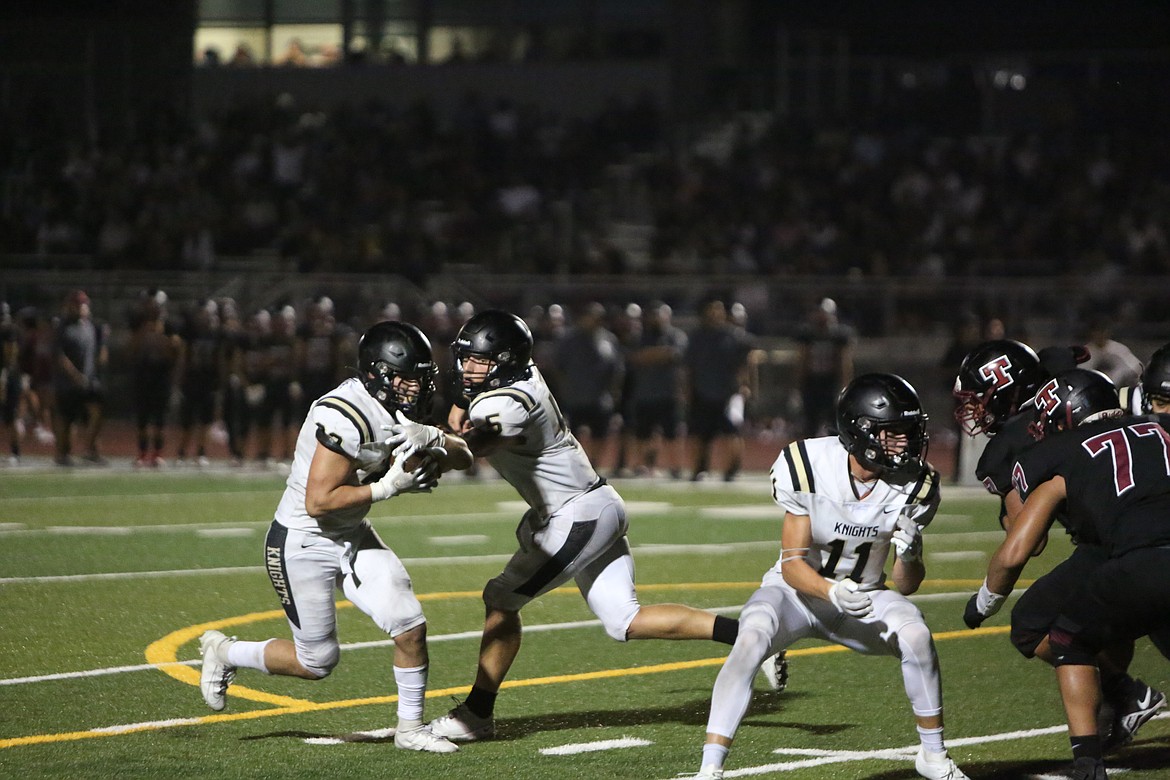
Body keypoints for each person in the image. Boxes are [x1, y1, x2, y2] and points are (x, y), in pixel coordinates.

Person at [428, 310, 740, 742]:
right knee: (623, 620)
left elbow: (478, 439)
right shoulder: (516, 376)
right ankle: (750, 636)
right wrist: (450, 423)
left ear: (505, 362)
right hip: (594, 504)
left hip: (575, 514)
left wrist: (434, 451)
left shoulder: (508, 401)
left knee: (501, 598)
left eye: (480, 361)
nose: (468, 368)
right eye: (465, 359)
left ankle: (476, 714)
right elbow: (460, 417)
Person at [198, 321, 471, 753]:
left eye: (420, 377)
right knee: (317, 662)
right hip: (303, 541)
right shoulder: (345, 414)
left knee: (410, 627)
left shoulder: (401, 406)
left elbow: (466, 457)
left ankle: (410, 729)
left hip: (351, 533)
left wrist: (437, 437)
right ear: (379, 373)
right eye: (408, 377)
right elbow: (319, 501)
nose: (415, 387)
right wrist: (387, 487)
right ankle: (226, 652)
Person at [691, 374, 967, 780]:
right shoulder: (808, 465)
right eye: (894, 434)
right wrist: (831, 591)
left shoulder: (917, 484)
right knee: (751, 635)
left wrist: (911, 554)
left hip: (867, 595)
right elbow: (792, 564)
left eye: (909, 432)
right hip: (799, 593)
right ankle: (710, 769)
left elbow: (906, 584)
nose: (906, 443)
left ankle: (933, 756)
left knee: (916, 635)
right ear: (861, 432)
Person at [953, 343, 1162, 748]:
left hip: (1116, 545)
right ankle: (1119, 701)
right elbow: (1060, 359)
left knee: (1033, 625)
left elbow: (1028, 541)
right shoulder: (1063, 382)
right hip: (1144, 513)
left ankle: (1122, 693)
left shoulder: (1007, 447)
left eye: (979, 400)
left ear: (1005, 392)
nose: (975, 411)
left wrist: (985, 596)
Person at [685, 298, 753, 482]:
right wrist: (687, 390)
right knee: (700, 434)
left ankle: (732, 468)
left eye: (718, 309)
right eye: (711, 309)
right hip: (703, 391)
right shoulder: (697, 337)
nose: (715, 313)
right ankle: (699, 467)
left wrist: (744, 385)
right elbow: (689, 367)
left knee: (732, 432)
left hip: (728, 393)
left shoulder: (734, 337)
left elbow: (743, 365)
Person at [52, 290, 109, 465]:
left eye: (82, 305)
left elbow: (101, 354)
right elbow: (60, 356)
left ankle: (91, 449)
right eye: (76, 305)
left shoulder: (92, 326)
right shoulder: (63, 327)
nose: (80, 308)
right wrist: (75, 375)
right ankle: (62, 453)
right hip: (68, 383)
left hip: (89, 380)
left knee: (97, 410)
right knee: (67, 419)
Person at [792, 297, 855, 438]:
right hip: (812, 382)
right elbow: (802, 361)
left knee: (834, 426)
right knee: (809, 425)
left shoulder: (838, 335)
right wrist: (797, 387)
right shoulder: (808, 334)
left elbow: (844, 362)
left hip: (831, 382)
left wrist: (845, 387)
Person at [1081, 319, 1143, 387]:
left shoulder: (1118, 349)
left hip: (1118, 390)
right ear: (1091, 333)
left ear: (1108, 332)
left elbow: (1137, 369)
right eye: (1097, 332)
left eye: (1103, 331)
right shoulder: (1085, 352)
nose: (1100, 335)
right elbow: (1080, 374)